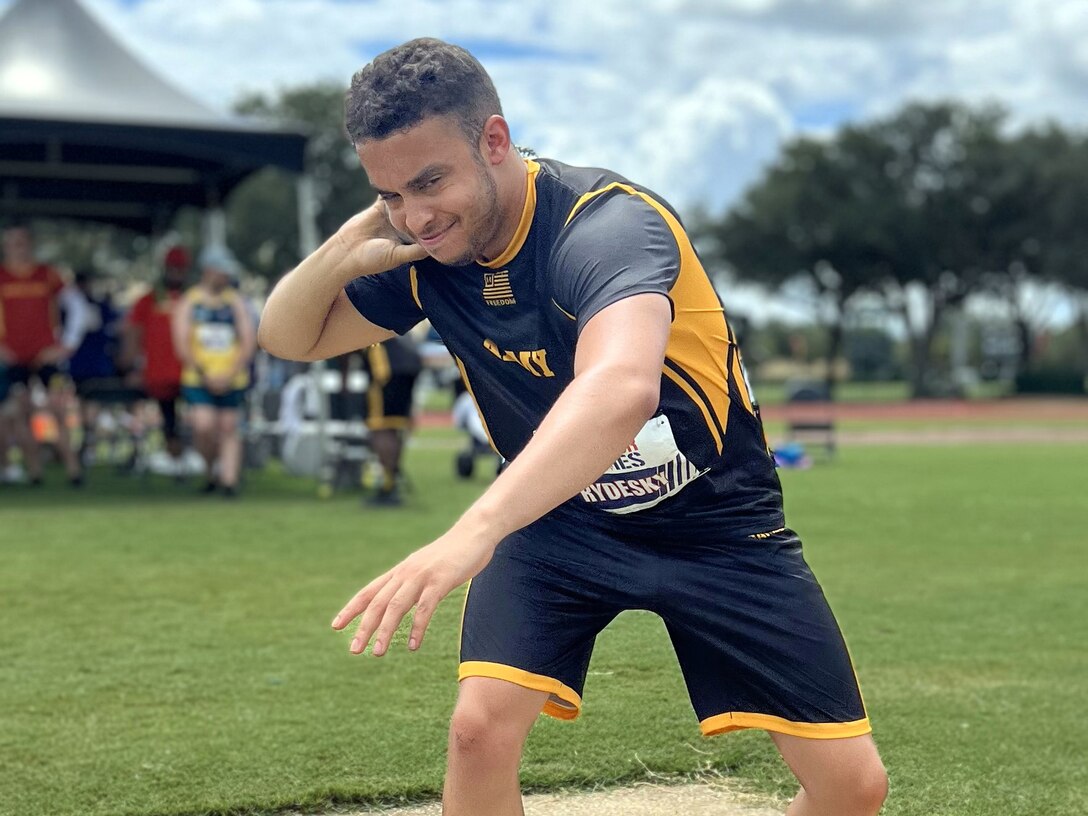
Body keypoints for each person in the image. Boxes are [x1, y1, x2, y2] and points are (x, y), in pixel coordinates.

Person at [258, 38, 887, 816]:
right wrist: (348, 249)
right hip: (559, 520)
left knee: (853, 788)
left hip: (718, 522)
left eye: (429, 181)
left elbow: (620, 388)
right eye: (388, 195)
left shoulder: (609, 226)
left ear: (494, 140)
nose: (414, 216)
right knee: (478, 732)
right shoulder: (427, 252)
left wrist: (471, 531)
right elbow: (289, 336)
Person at [0, 223, 88, 485]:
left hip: (47, 356)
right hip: (14, 358)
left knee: (58, 411)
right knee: (19, 413)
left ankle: (74, 472)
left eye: (23, 242)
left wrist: (67, 345)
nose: (19, 248)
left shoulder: (48, 275)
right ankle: (35, 472)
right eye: (13, 243)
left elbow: (79, 309)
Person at [173, 245, 256, 498]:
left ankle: (229, 481)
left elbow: (247, 339)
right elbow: (181, 342)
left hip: (232, 377)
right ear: (209, 271)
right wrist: (204, 373)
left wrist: (230, 373)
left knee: (229, 426)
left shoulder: (236, 302)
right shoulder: (191, 301)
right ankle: (210, 470)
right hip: (199, 378)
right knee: (204, 425)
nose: (227, 277)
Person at [122, 245, 190, 463]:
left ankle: (189, 456)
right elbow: (133, 334)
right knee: (167, 417)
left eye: (179, 268)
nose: (176, 273)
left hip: (189, 372)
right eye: (173, 268)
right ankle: (173, 456)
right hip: (159, 374)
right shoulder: (149, 299)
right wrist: (130, 365)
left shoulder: (193, 298)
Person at [359, 334, 423, 506]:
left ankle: (388, 485)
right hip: (409, 362)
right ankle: (391, 480)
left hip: (385, 366)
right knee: (394, 426)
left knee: (381, 427)